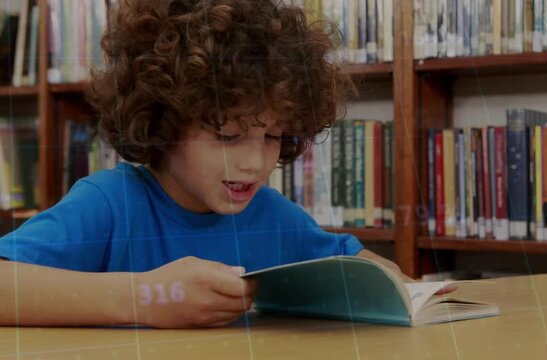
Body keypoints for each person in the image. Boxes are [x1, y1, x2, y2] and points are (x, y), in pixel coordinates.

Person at [0, 0, 409, 328]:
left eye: (273, 136)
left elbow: (353, 264)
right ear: (162, 121)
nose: (255, 162)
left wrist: (395, 284)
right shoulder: (109, 203)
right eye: (227, 136)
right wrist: (149, 298)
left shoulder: (272, 215)